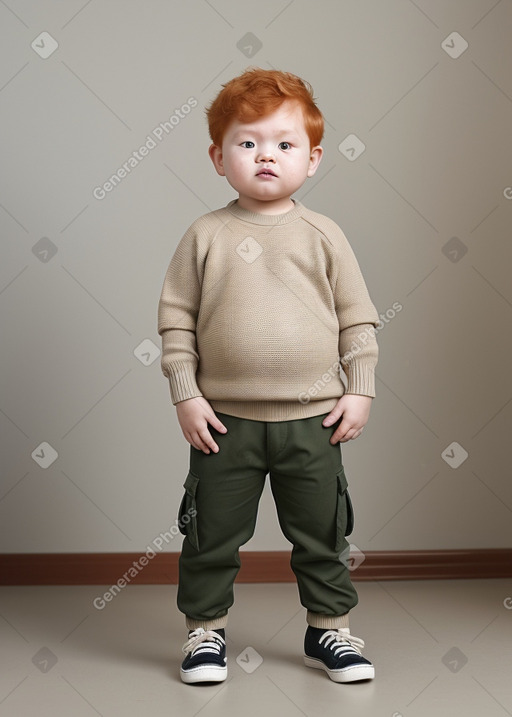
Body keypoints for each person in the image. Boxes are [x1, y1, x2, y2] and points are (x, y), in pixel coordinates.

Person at [157, 67, 380, 685]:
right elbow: (176, 326)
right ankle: (205, 633)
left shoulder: (323, 235)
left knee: (322, 533)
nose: (265, 156)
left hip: (314, 420)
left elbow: (358, 322)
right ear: (217, 156)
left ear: (312, 159)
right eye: (247, 142)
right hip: (223, 423)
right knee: (211, 534)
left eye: (284, 145)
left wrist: (358, 388)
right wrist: (188, 395)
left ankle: (329, 627)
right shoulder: (205, 236)